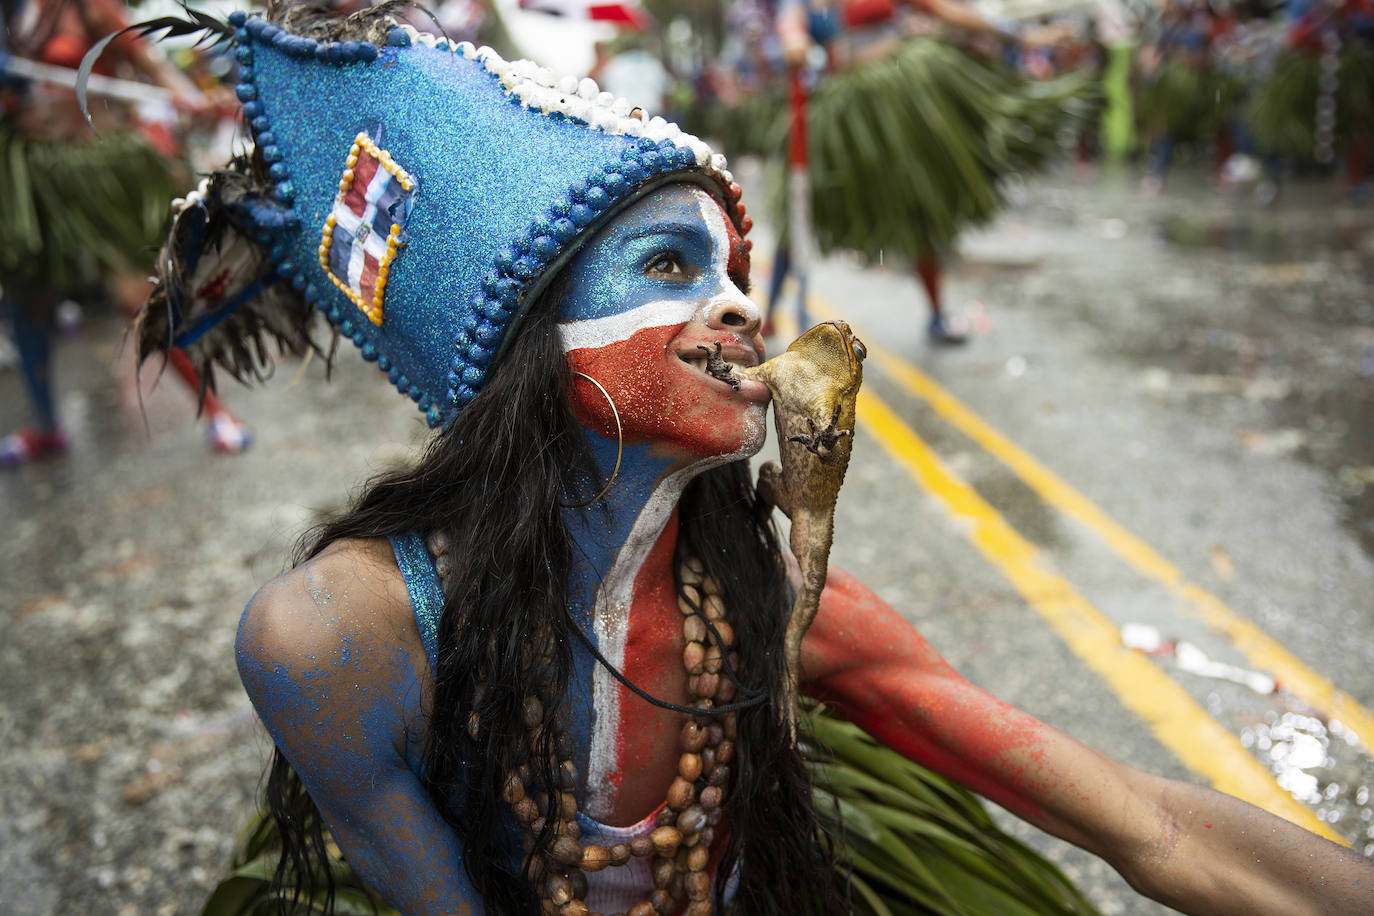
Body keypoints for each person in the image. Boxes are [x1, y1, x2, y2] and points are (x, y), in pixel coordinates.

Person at [132, 7, 1374, 915]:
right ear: (527, 345)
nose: (741, 311)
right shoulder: (341, 637)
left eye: (734, 274)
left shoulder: (770, 605)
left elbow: (1148, 824)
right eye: (671, 269)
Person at [0, 0, 250, 467]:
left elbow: (146, 58)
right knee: (26, 300)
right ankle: (46, 426)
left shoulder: (84, 6)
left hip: (90, 169)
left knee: (136, 296)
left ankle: (216, 410)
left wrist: (187, 94)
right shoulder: (12, 15)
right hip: (30, 177)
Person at [770, 0, 1088, 345]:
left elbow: (949, 12)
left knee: (917, 205)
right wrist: (792, 40)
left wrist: (1022, 37)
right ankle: (769, 313)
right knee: (799, 210)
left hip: (899, 100)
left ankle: (937, 315)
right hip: (846, 115)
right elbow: (790, 23)